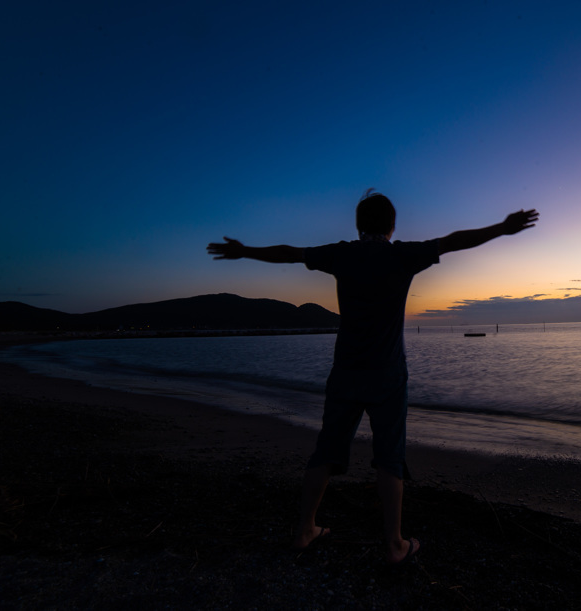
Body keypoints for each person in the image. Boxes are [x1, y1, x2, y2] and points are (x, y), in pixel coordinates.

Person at [207, 191, 538, 564]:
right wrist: (503, 228)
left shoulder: (341, 253)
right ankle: (395, 544)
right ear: (392, 226)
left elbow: (290, 251)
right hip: (388, 373)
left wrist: (245, 250)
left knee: (327, 451)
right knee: (389, 458)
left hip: (346, 370)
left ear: (359, 225)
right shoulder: (402, 255)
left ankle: (304, 530)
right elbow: (454, 241)